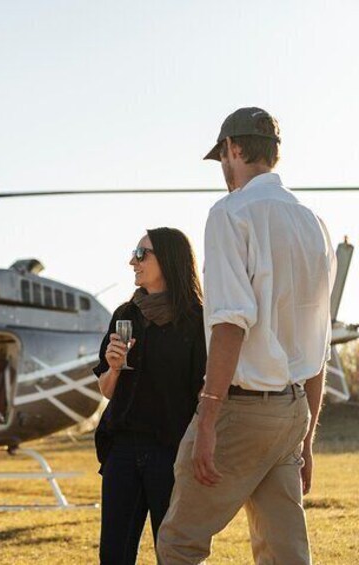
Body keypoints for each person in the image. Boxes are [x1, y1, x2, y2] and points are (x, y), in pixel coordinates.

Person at [157, 108, 336, 564]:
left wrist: (209, 416)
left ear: (234, 149)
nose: (223, 168)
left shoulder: (229, 214)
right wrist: (307, 440)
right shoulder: (315, 223)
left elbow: (231, 322)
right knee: (284, 552)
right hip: (292, 412)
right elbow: (317, 342)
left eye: (222, 157)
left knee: (180, 541)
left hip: (242, 407)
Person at [93, 227, 206, 564]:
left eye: (142, 254)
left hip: (171, 451)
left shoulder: (197, 321)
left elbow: (203, 392)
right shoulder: (124, 315)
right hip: (122, 449)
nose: (133, 261)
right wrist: (113, 368)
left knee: (171, 552)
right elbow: (107, 390)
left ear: (168, 260)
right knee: (114, 554)